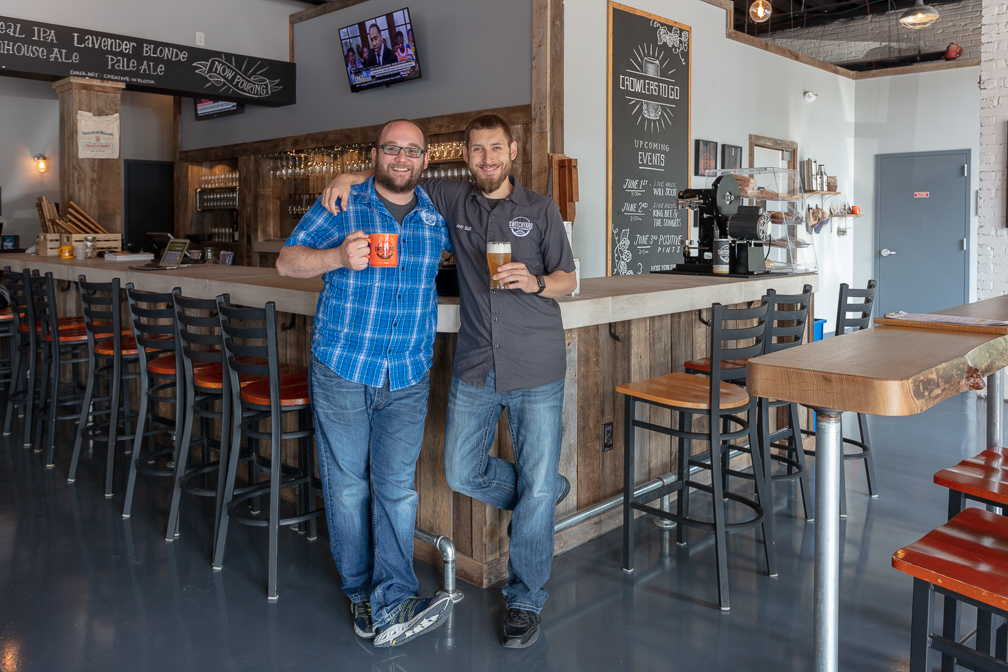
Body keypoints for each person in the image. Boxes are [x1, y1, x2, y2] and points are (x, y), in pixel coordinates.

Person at [322, 114, 576, 649]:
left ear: (512, 151)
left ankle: (525, 600)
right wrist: (346, 179)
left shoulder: (540, 208)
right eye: (477, 151)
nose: (487, 159)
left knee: (532, 489)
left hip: (537, 364)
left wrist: (534, 280)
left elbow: (569, 280)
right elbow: (392, 175)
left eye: (496, 149)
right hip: (477, 364)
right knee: (464, 472)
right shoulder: (449, 198)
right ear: (464, 156)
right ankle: (542, 492)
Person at [276, 119, 454, 648]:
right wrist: (335, 257)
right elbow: (288, 261)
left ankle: (394, 596)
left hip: (407, 372)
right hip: (343, 367)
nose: (402, 158)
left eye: (412, 151)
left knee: (397, 490)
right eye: (392, 149)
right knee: (349, 484)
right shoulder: (343, 203)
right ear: (375, 154)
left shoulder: (434, 213)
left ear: (425, 160)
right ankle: (360, 592)